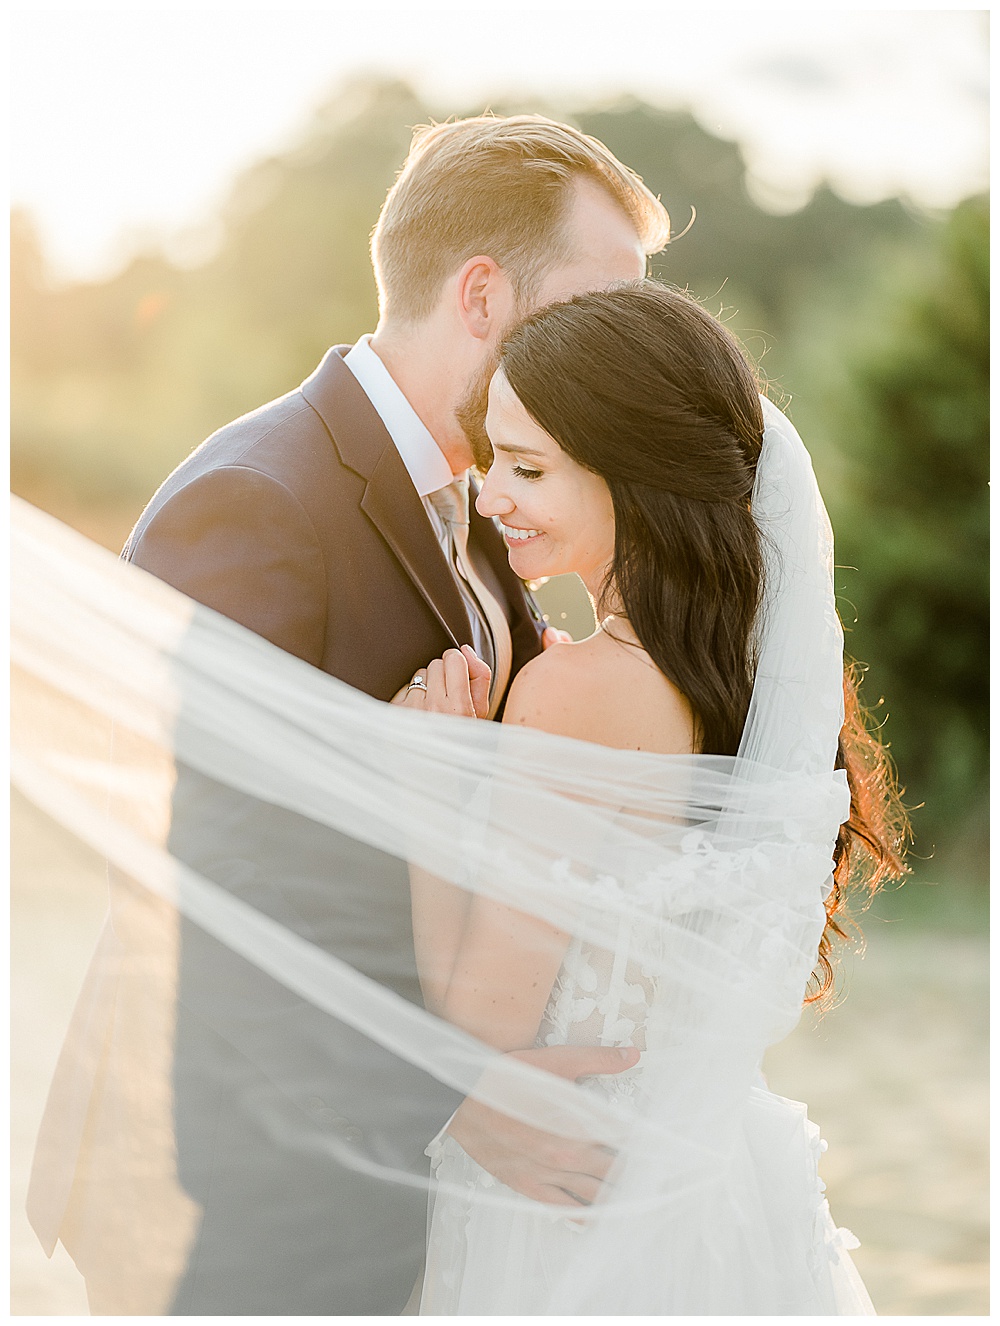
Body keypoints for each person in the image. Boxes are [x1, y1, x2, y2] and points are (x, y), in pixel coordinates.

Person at [26, 115, 672, 1314]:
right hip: (282, 1170)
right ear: (480, 295)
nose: (612, 353)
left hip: (422, 1186)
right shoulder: (256, 499)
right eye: (587, 313)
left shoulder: (495, 506)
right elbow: (208, 890)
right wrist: (463, 1094)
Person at [394, 281, 907, 1313]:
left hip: (567, 1200)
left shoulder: (576, 692)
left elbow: (479, 1021)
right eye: (491, 458)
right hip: (719, 1179)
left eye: (528, 469)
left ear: (639, 478)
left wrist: (421, 787)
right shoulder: (743, 680)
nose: (490, 496)